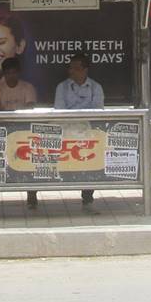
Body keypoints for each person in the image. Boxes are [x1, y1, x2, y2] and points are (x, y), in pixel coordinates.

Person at [0, 56, 38, 210]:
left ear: (19, 73)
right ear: (4, 74)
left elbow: (30, 110)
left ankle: (32, 195)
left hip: (24, 133)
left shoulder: (27, 88)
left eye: (14, 72)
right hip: (2, 132)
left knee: (30, 162)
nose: (11, 76)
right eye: (8, 73)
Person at [53, 52, 104, 206]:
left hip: (88, 132)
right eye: (70, 68)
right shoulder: (62, 87)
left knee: (89, 161)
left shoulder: (96, 87)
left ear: (85, 70)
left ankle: (87, 193)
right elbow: (59, 110)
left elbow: (97, 112)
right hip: (67, 132)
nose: (72, 71)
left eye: (75, 68)